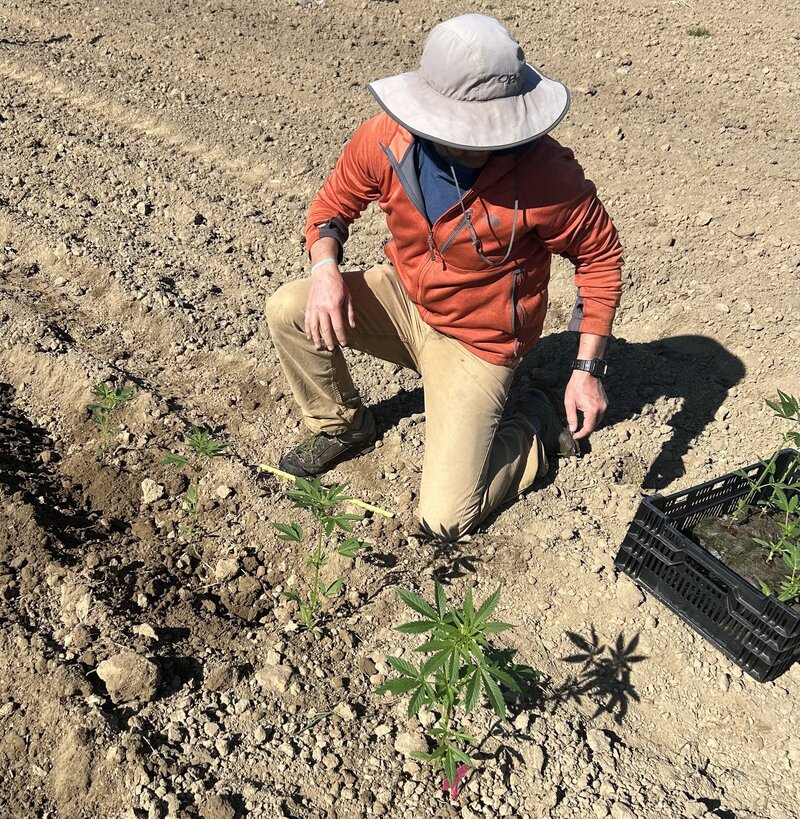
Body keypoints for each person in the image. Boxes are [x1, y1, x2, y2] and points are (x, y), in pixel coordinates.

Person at [266, 14, 623, 542]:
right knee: (288, 309)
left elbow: (601, 257)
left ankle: (536, 423)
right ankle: (342, 424)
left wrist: (587, 368)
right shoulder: (384, 140)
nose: (483, 142)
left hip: (480, 344)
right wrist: (325, 269)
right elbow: (330, 208)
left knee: (446, 519)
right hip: (406, 300)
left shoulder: (547, 175)